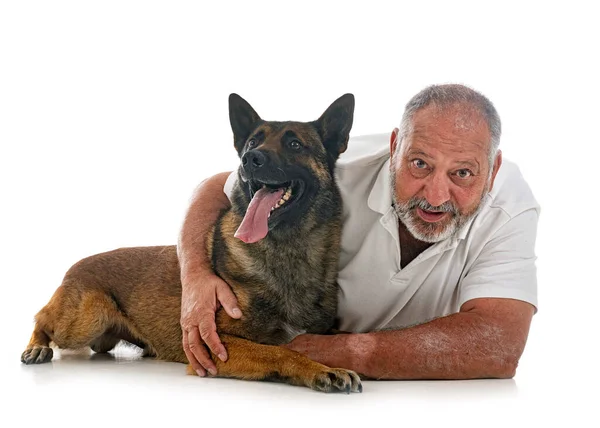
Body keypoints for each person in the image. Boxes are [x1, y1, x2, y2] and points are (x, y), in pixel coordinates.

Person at [177, 84, 539, 380]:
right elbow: (214, 188)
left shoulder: (509, 207)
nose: (435, 196)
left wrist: (348, 352)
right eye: (419, 164)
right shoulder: (338, 169)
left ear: (492, 171)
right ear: (395, 148)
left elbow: (501, 344)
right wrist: (194, 274)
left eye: (462, 173)